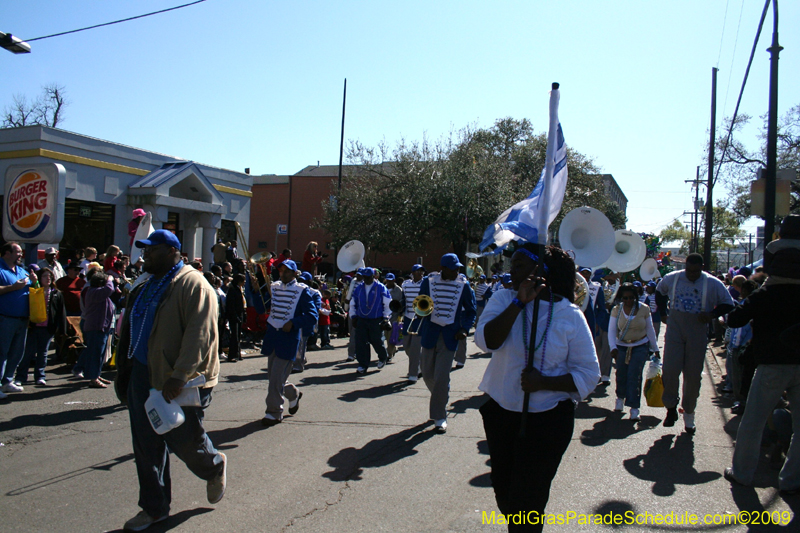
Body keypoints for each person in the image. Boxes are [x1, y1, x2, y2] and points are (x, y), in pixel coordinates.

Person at [475, 244, 599, 531]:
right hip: (501, 413)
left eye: (518, 266)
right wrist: (518, 303)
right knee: (505, 493)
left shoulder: (569, 314)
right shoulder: (503, 298)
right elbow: (487, 341)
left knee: (528, 500)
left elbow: (589, 374)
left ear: (540, 271)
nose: (510, 271)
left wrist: (543, 382)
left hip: (549, 420)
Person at [117, 229, 226, 531]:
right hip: (142, 373)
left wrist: (179, 375)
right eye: (145, 250)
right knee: (146, 445)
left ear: (172, 252)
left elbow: (199, 335)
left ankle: (214, 465)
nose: (145, 255)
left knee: (186, 441)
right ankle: (154, 509)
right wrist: (125, 371)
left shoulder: (194, 284)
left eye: (152, 250)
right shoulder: (148, 282)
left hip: (179, 377)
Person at [723, 260, 800, 493]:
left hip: (772, 365)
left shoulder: (766, 293)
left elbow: (735, 318)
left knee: (753, 422)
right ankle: (792, 480)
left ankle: (743, 473)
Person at [656, 253, 734, 434]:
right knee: (670, 370)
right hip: (675, 329)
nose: (692, 274)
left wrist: (712, 315)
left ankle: (689, 413)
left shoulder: (712, 283)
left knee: (692, 376)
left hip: (697, 331)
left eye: (696, 271)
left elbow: (728, 304)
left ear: (702, 268)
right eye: (689, 270)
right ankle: (670, 408)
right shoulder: (672, 279)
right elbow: (660, 293)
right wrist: (662, 314)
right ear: (685, 266)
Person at [417, 254, 476, 433]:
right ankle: (441, 396)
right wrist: (421, 310)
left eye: (458, 268)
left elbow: (471, 310)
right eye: (453, 269)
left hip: (451, 336)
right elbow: (421, 303)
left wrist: (465, 329)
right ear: (443, 268)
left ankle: (439, 416)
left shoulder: (463, 285)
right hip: (430, 333)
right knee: (427, 374)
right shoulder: (428, 282)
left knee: (442, 377)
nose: (457, 271)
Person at [260, 259, 317, 426]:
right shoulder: (275, 287)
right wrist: (257, 291)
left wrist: (294, 323)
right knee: (274, 378)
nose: (282, 274)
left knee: (276, 378)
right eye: (281, 271)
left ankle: (274, 412)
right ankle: (293, 394)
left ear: (294, 273)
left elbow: (312, 315)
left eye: (286, 271)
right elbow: (261, 307)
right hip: (273, 337)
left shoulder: (303, 291)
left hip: (288, 339)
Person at [608, 283, 660, 421]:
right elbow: (612, 330)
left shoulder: (644, 309)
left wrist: (655, 348)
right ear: (621, 298)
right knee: (621, 374)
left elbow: (650, 329)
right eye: (625, 298)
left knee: (634, 375)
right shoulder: (616, 310)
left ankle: (634, 407)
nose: (628, 301)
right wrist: (613, 347)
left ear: (636, 297)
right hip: (621, 346)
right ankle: (620, 398)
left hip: (640, 345)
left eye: (631, 298)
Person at [16, 268, 66, 386]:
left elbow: (61, 312)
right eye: (44, 276)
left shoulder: (56, 293)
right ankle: (21, 376)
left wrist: (62, 329)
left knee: (43, 353)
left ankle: (40, 376)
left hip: (48, 327)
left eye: (50, 276)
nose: (48, 278)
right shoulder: (34, 291)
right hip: (33, 326)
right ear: (39, 278)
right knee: (28, 352)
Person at [73, 269, 118, 388]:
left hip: (101, 327)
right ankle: (93, 378)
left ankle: (96, 375)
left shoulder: (97, 293)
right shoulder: (93, 292)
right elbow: (109, 289)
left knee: (100, 354)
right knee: (95, 354)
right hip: (95, 327)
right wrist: (110, 279)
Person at [0, 242, 32, 397]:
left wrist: (36, 280)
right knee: (2, 352)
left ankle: (7, 381)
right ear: (7, 253)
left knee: (17, 352)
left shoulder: (21, 270)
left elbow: (34, 287)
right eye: (18, 252)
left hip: (22, 319)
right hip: (5, 318)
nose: (21, 255)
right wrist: (13, 287)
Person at [349, 267, 392, 374]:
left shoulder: (381, 287)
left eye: (368, 277)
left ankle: (383, 356)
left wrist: (386, 318)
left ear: (373, 276)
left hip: (375, 319)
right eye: (364, 277)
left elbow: (387, 304)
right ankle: (363, 365)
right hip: (361, 319)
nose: (366, 279)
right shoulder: (359, 288)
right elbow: (353, 303)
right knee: (361, 342)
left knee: (376, 340)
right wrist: (353, 316)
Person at [401, 265, 425, 383]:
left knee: (415, 348)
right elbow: (403, 300)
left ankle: (413, 374)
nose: (420, 273)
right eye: (417, 271)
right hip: (407, 317)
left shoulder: (426, 284)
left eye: (421, 271)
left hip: (419, 319)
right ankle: (420, 364)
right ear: (412, 273)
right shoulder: (405, 285)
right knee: (406, 346)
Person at [225, 273, 246, 362]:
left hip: (239, 314)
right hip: (234, 315)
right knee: (234, 336)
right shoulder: (232, 289)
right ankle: (231, 355)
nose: (244, 282)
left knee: (238, 335)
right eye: (243, 281)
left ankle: (238, 353)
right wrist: (235, 316)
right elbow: (231, 305)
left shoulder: (239, 289)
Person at [384, 273, 404, 361]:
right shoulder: (383, 288)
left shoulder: (399, 290)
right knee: (386, 335)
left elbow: (402, 303)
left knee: (391, 335)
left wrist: (400, 315)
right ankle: (393, 349)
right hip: (385, 315)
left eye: (391, 280)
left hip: (395, 316)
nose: (389, 282)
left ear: (394, 280)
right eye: (388, 280)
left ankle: (389, 355)